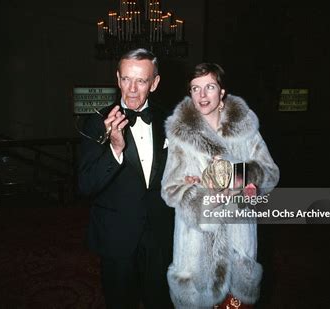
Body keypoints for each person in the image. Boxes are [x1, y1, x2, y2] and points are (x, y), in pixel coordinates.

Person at [161, 63, 279, 308]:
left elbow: (270, 174)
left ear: (222, 91)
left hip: (239, 242)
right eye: (196, 88)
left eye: (210, 87)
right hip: (195, 248)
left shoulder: (245, 129)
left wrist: (235, 175)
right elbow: (170, 189)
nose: (202, 96)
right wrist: (204, 195)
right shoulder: (181, 135)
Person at [78, 48, 175, 309]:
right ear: (117, 78)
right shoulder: (97, 122)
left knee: (161, 303)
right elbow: (85, 185)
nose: (131, 89)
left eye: (141, 81)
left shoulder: (171, 120)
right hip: (116, 237)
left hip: (160, 234)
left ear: (154, 83)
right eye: (125, 79)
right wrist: (115, 149)